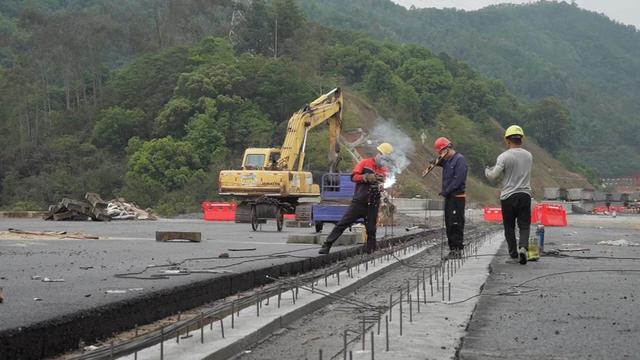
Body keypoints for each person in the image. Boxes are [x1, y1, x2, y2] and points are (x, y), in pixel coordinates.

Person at [319, 143, 394, 255]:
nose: (384, 162)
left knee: (371, 229)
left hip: (373, 203)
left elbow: (384, 185)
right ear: (378, 154)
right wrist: (366, 177)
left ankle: (371, 251)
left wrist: (381, 185)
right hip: (359, 202)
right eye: (383, 159)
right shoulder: (365, 163)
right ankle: (327, 245)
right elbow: (353, 177)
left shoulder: (384, 170)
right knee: (343, 223)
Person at [485, 125, 533, 265]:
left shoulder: (504, 156)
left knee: (509, 226)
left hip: (508, 196)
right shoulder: (528, 156)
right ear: (521, 140)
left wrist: (487, 171)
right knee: (524, 225)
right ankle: (523, 248)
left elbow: (493, 176)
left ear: (507, 140)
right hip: (525, 195)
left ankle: (513, 255)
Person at [433, 137, 468, 259]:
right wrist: (434, 161)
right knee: (449, 223)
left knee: (456, 223)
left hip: (457, 197)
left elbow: (458, 180)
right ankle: (452, 249)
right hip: (449, 197)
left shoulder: (460, 160)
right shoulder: (447, 161)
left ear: (448, 149)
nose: (441, 155)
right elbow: (438, 162)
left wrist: (446, 191)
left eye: (441, 152)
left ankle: (457, 249)